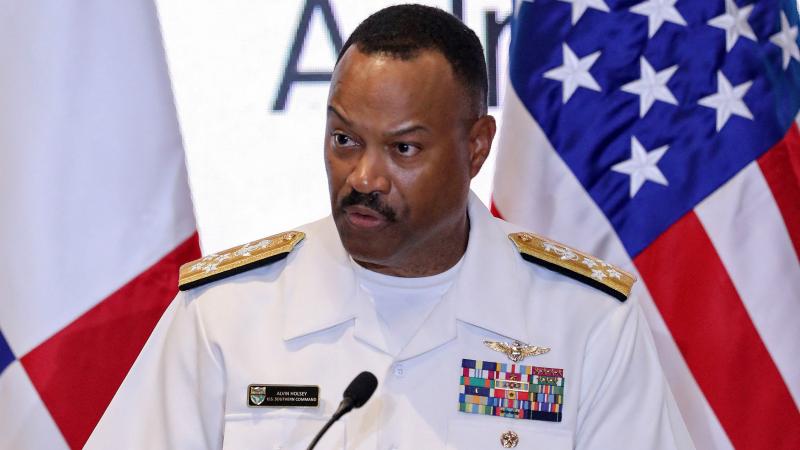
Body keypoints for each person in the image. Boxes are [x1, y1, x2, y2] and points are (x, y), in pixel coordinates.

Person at [86, 4, 694, 449]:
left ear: (476, 146)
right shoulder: (227, 313)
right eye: (344, 140)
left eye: (404, 149)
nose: (364, 177)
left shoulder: (585, 322)